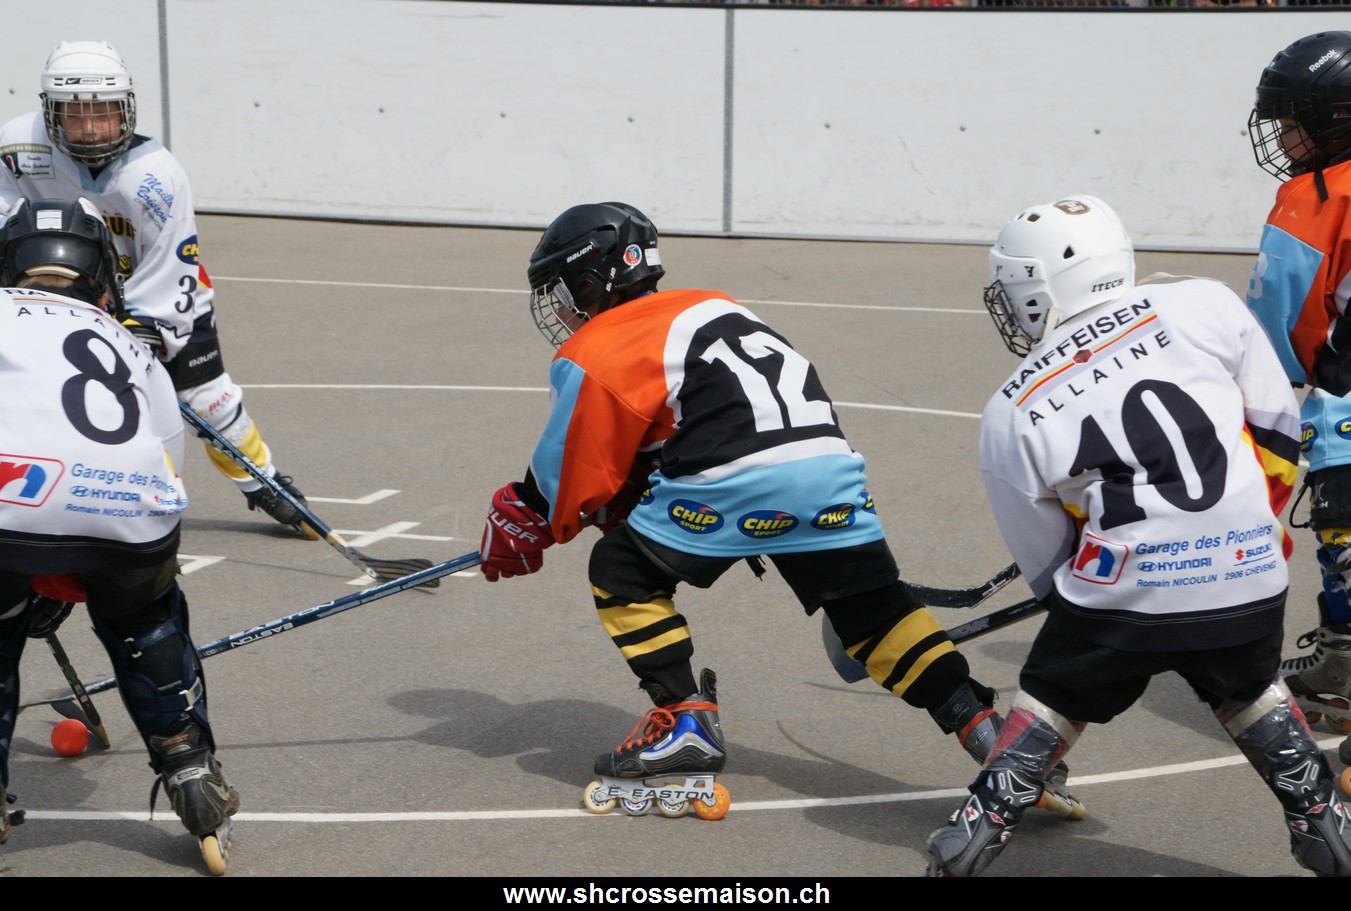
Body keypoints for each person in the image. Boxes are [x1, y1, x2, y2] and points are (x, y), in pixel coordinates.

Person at [476, 200, 1081, 819]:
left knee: (621, 573)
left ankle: (683, 721)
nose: (560, 310)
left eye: (562, 292)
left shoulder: (602, 341)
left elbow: (572, 465)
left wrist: (524, 516)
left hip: (731, 482)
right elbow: (705, 410)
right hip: (827, 471)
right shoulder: (717, 306)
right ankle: (989, 733)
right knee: (875, 615)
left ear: (590, 281)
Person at [923, 194, 1351, 877]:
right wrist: (1244, 530)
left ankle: (980, 826)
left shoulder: (1011, 406)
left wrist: (1106, 584)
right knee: (1245, 683)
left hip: (1119, 596)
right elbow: (1277, 430)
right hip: (1249, 574)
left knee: (1058, 686)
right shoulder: (1203, 302)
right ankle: (1322, 819)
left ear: (1039, 285)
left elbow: (1046, 565)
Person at [0, 197, 238, 875]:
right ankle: (192, 772)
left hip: (8, 513)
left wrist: (33, 569)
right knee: (145, 620)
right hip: (133, 518)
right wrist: (72, 569)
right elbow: (164, 465)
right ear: (103, 276)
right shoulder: (129, 342)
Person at [0, 39, 314, 538]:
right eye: (75, 115)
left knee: (206, 400)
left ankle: (264, 482)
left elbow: (171, 265)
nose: (92, 128)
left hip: (145, 296)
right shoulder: (17, 145)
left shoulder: (157, 175)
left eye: (105, 113)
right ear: (51, 112)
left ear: (128, 108)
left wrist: (146, 326)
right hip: (54, 297)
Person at [1245, 31, 1351, 766]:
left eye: (1291, 123)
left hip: (1346, 400)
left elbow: (1275, 319)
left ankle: (1343, 665)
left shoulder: (1317, 196)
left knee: (1343, 528)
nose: (1282, 139)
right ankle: (1341, 658)